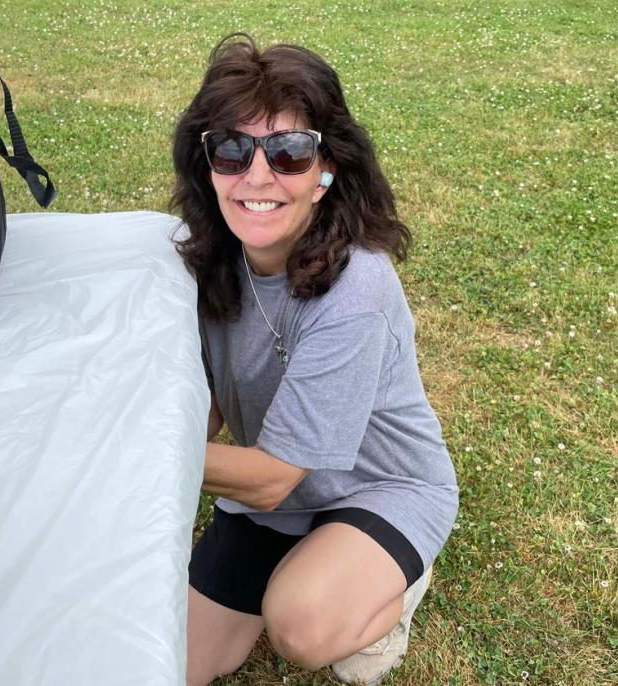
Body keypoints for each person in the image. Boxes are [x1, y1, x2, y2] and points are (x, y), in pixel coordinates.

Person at [172, 33, 458, 686]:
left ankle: (395, 582)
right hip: (275, 499)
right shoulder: (207, 257)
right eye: (232, 149)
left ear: (327, 170)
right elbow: (211, 397)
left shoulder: (358, 288)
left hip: (379, 487)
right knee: (177, 662)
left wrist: (131, 448)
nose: (258, 175)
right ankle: (319, 559)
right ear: (207, 162)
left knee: (301, 624)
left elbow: (270, 475)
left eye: (290, 152)